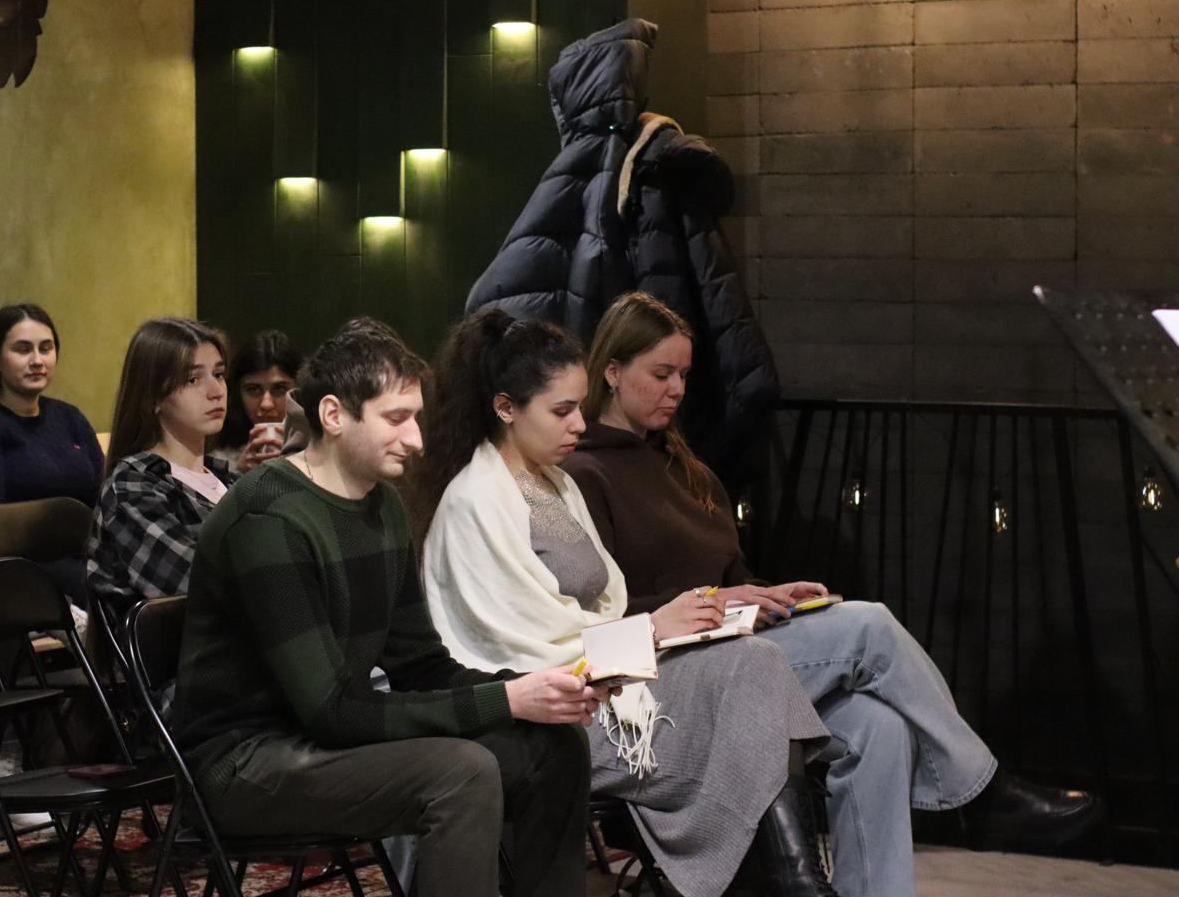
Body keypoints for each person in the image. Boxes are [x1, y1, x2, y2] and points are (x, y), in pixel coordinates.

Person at [562, 290, 1106, 897]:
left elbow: (730, 575)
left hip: (737, 647)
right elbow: (597, 615)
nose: (677, 389)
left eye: (684, 375)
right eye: (661, 373)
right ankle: (981, 792)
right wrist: (714, 600)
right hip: (667, 671)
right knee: (868, 625)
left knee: (878, 727)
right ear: (613, 371)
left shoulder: (691, 473)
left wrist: (768, 592)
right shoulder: (584, 474)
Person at [174, 318, 601, 897]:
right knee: (461, 773)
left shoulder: (383, 505)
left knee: (554, 745)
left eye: (416, 417)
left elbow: (422, 666)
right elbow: (331, 711)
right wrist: (506, 699)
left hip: (320, 740)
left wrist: (533, 692)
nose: (417, 439)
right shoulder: (268, 519)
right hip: (245, 763)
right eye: (396, 418)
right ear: (334, 415)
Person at [414, 309, 834, 897]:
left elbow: (600, 610)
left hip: (615, 680)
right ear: (506, 408)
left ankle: (793, 882)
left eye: (579, 407)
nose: (578, 424)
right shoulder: (475, 501)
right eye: (561, 411)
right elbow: (524, 647)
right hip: (555, 709)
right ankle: (796, 884)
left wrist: (657, 631)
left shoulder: (555, 483)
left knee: (756, 669)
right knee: (754, 675)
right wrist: (653, 629)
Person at [0, 303, 104, 604]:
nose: (37, 360)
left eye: (46, 348)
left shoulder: (69, 418)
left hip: (85, 554)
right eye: (23, 349)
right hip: (20, 569)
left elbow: (101, 497)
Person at [85, 318, 236, 620]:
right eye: (193, 379)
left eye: (219, 374)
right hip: (190, 646)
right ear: (154, 397)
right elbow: (196, 584)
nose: (216, 391)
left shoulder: (232, 480)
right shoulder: (131, 487)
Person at [210, 329, 300, 474]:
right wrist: (238, 472)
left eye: (279, 389)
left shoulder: (322, 449)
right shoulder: (216, 457)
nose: (266, 404)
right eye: (253, 390)